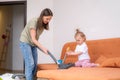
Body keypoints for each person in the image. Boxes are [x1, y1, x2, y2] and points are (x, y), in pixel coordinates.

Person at [19, 8, 53, 80]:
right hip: (25, 42)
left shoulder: (43, 25)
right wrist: (43, 48)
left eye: (50, 19)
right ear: (42, 16)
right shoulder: (34, 22)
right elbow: (33, 39)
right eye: (47, 19)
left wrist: (43, 50)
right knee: (30, 63)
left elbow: (35, 40)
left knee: (34, 65)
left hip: (33, 44)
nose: (48, 21)